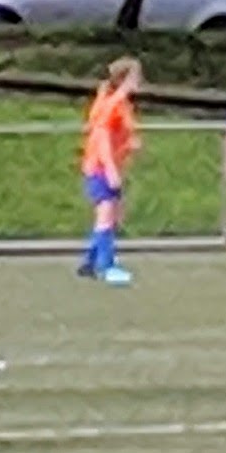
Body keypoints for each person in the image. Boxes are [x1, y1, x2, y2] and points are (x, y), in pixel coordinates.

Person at [78, 55, 143, 285]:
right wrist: (110, 168)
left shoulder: (119, 102)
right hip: (101, 166)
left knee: (109, 216)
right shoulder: (114, 103)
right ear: (124, 78)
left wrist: (129, 144)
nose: (141, 79)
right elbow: (102, 136)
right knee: (106, 216)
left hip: (105, 165)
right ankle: (105, 267)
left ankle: (89, 261)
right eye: (136, 75)